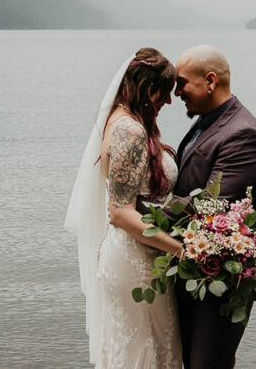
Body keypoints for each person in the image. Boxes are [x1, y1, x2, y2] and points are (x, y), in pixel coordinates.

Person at [66, 48, 184, 369]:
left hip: (136, 254)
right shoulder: (129, 132)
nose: (169, 102)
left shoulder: (121, 122)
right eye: (165, 92)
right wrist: (180, 250)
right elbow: (120, 213)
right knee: (143, 352)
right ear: (148, 88)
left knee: (145, 348)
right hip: (135, 262)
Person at [171, 45, 256, 369]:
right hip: (196, 269)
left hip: (224, 280)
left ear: (210, 80)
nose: (176, 93)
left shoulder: (243, 134)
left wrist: (140, 210)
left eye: (182, 83)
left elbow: (212, 204)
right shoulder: (206, 122)